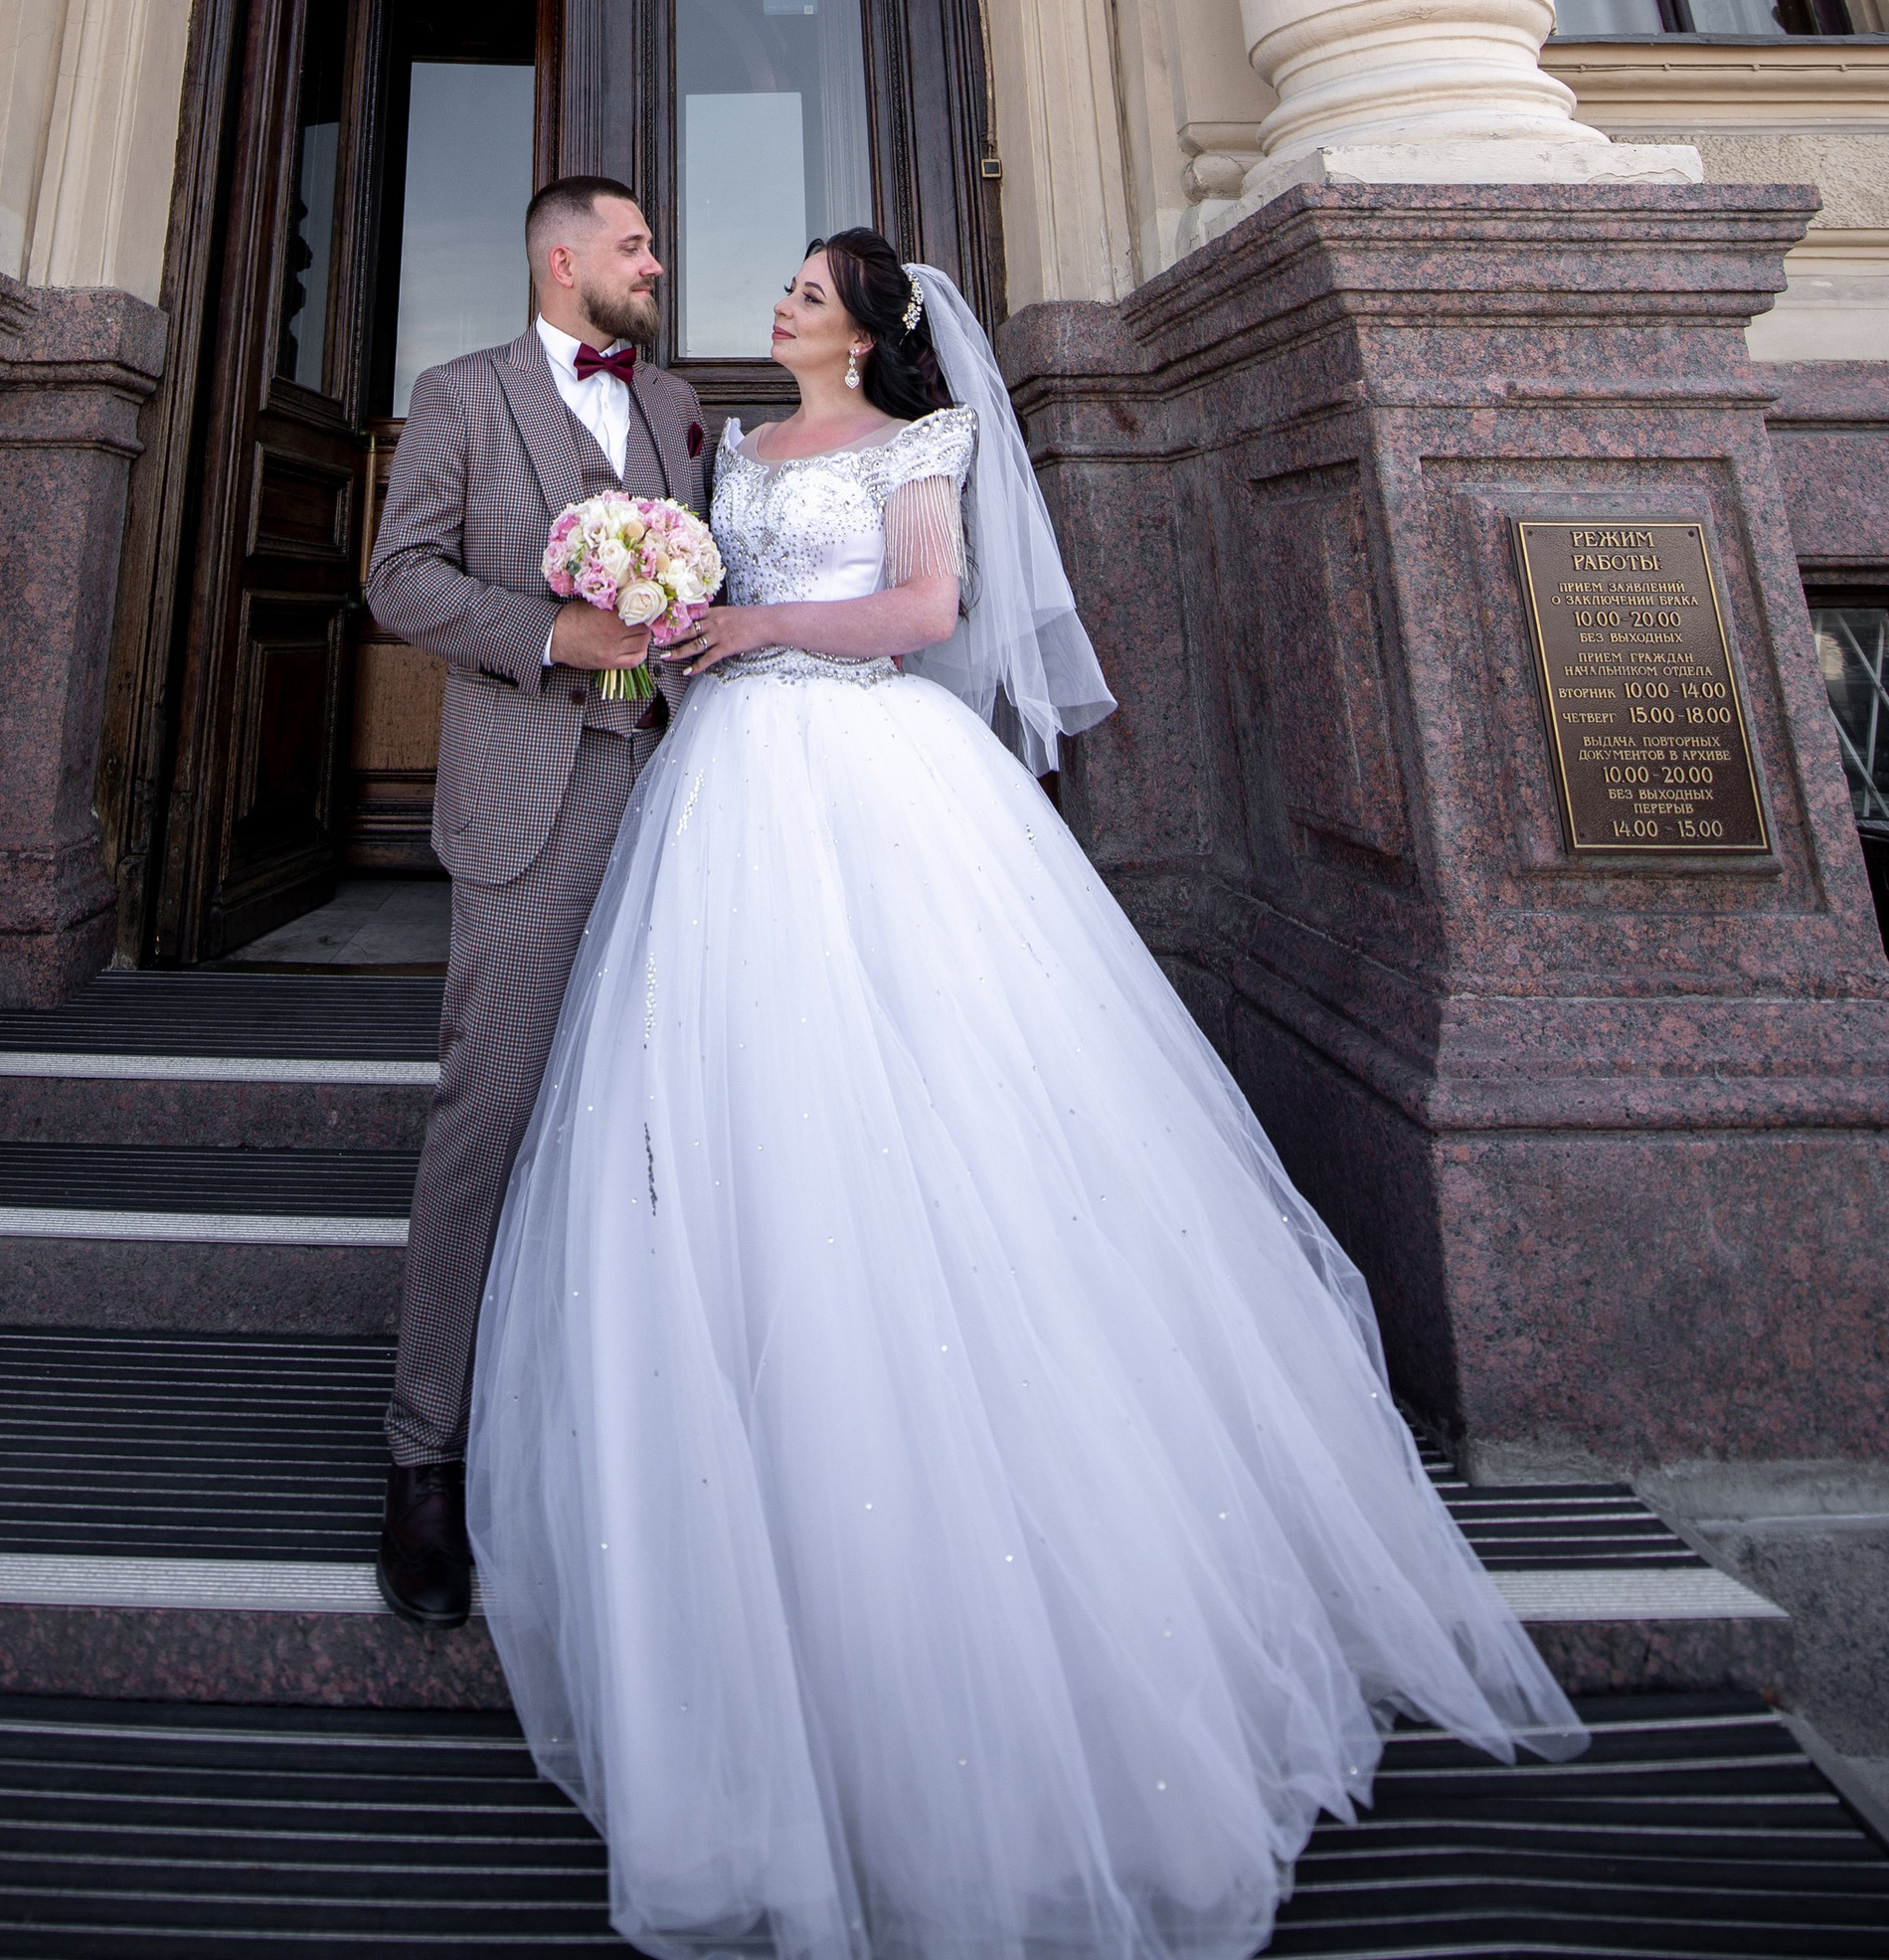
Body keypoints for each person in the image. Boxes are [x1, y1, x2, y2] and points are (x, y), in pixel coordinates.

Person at [469, 226, 1586, 1960]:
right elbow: (693, 584)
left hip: (878, 782)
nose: (779, 305)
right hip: (729, 791)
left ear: (871, 329)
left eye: (809, 294)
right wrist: (671, 613)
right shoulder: (731, 451)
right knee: (728, 1119)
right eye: (786, 291)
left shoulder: (928, 447)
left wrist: (749, 619)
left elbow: (932, 615)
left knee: (933, 1109)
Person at [364, 174, 709, 1633]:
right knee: (492, 1109)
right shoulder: (460, 394)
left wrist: (689, 638)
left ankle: (621, 1434)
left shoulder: (684, 408)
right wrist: (547, 631)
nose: (656, 262)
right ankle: (422, 1458)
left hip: (686, 794)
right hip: (530, 795)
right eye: (634, 245)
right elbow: (399, 579)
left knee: (658, 1121)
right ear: (565, 261)